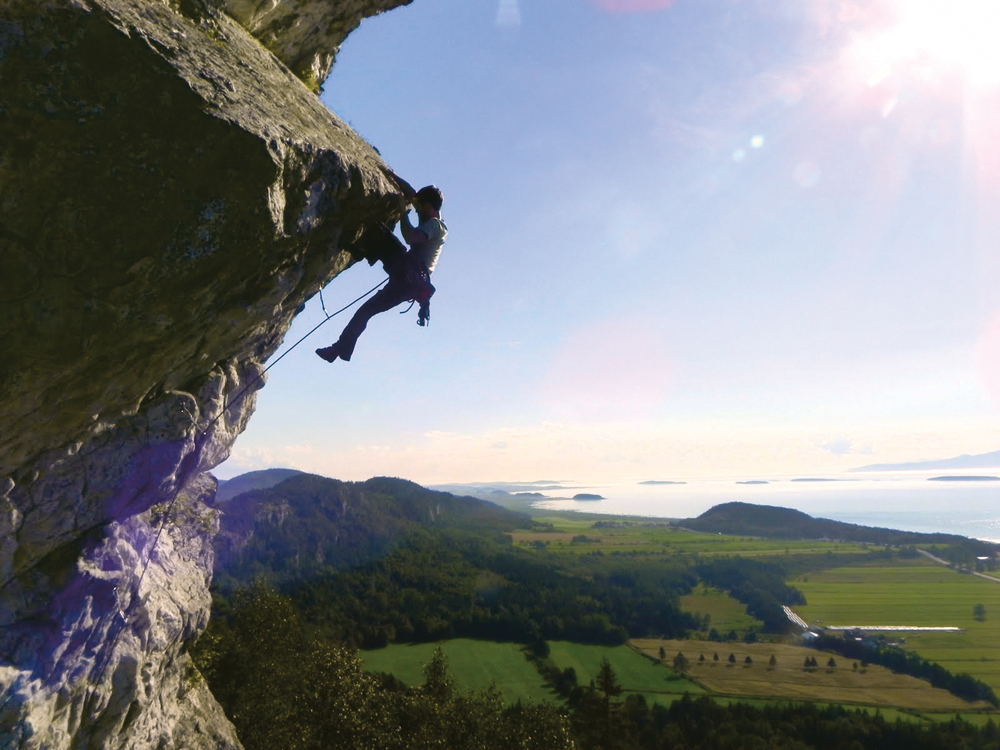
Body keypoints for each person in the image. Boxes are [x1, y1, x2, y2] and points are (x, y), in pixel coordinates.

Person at [316, 184, 447, 363]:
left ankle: (359, 249)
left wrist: (402, 212)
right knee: (366, 311)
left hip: (406, 274)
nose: (417, 211)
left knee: (378, 233)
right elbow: (413, 194)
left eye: (419, 208)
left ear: (428, 206)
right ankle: (339, 350)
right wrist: (389, 174)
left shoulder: (434, 225)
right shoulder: (434, 221)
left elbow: (412, 238)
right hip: (407, 281)